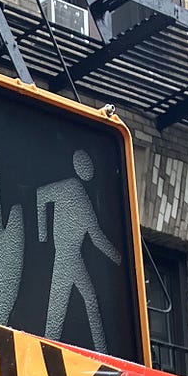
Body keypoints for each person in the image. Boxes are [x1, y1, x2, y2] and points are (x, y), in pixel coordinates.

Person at [37, 149, 121, 347]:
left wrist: (118, 258)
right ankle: (48, 349)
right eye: (85, 165)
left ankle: (101, 352)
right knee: (65, 308)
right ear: (78, 166)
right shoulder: (70, 187)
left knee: (85, 301)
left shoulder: (84, 200)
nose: (88, 170)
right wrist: (43, 235)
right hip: (65, 256)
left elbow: (96, 237)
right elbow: (41, 195)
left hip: (73, 257)